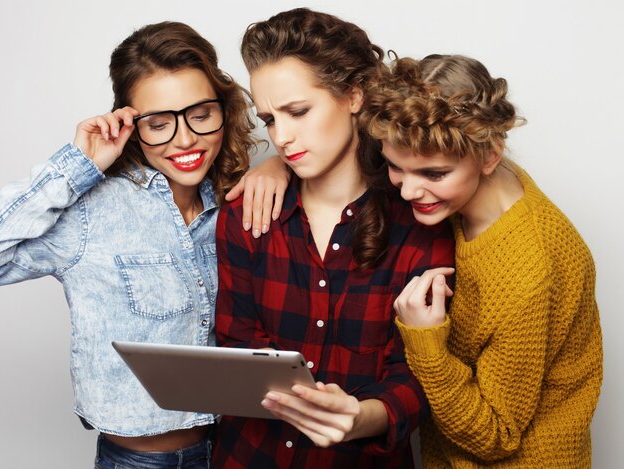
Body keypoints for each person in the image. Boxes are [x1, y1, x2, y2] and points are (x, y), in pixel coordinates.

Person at [0, 21, 288, 468]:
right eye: (158, 123)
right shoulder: (92, 211)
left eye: (200, 114)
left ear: (223, 109)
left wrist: (280, 166)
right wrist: (78, 165)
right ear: (129, 124)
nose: (186, 139)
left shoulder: (236, 201)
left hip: (237, 451)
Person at [213, 9, 455, 469]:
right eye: (268, 119)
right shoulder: (245, 215)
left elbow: (422, 373)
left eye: (298, 111)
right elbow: (236, 345)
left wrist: (362, 417)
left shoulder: (421, 223)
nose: (281, 138)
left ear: (354, 95)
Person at [361, 54, 603, 467]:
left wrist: (425, 342)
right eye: (396, 167)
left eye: (434, 174)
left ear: (490, 155)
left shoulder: (527, 269)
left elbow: (495, 436)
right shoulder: (480, 182)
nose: (407, 192)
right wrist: (274, 167)